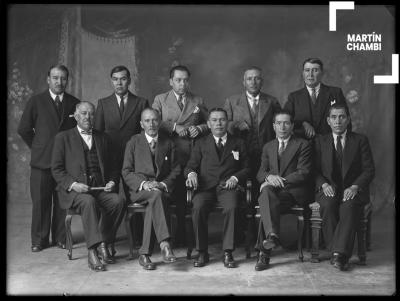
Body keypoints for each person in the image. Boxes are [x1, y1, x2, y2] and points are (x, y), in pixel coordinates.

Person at [51, 101, 126, 272]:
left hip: (99, 189)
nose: (88, 117)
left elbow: (114, 168)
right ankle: (92, 251)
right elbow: (56, 169)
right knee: (88, 202)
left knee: (118, 201)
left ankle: (104, 243)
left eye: (91, 114)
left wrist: (113, 182)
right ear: (76, 116)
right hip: (75, 191)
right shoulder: (63, 137)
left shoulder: (103, 137)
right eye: (84, 113)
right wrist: (74, 184)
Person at [18, 64, 80, 252]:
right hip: (41, 162)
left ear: (67, 80)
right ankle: (39, 240)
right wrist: (38, 147)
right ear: (48, 79)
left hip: (65, 164)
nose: (59, 82)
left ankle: (61, 238)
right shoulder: (36, 101)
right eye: (55, 78)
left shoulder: (74, 102)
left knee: (62, 202)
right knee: (41, 202)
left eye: (63, 78)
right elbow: (24, 129)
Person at [184, 108, 250, 268]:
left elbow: (247, 168)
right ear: (208, 123)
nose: (218, 123)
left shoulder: (238, 143)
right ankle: (201, 252)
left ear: (227, 122)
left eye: (222, 120)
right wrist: (191, 173)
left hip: (228, 187)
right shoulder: (201, 143)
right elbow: (190, 166)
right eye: (214, 120)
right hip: (205, 188)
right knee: (198, 207)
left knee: (232, 207)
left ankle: (228, 251)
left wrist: (235, 178)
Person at [152, 65, 208, 245]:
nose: (182, 84)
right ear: (171, 81)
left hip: (191, 154)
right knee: (171, 190)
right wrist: (176, 127)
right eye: (178, 80)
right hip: (168, 153)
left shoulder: (197, 99)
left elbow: (211, 122)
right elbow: (153, 122)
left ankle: (186, 233)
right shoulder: (160, 99)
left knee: (188, 193)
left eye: (185, 80)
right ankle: (167, 234)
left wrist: (199, 128)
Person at [315, 103, 375, 271]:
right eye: (334, 117)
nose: (338, 121)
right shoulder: (320, 141)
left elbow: (369, 170)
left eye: (342, 117)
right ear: (328, 120)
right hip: (329, 188)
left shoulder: (360, 140)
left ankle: (338, 254)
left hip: (354, 189)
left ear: (348, 120)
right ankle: (339, 252)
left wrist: (355, 186)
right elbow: (314, 170)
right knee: (327, 204)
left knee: (348, 206)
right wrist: (324, 184)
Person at [94, 65, 149, 243]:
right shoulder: (103, 103)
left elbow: (144, 134)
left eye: (123, 78)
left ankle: (138, 237)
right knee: (110, 198)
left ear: (129, 81)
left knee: (136, 194)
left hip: (133, 158)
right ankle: (105, 237)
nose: (119, 82)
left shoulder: (141, 102)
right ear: (111, 81)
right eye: (116, 79)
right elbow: (98, 133)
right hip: (109, 159)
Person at [122, 108, 181, 270]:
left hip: (161, 189)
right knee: (155, 196)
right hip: (140, 190)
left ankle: (144, 254)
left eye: (155, 120)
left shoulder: (168, 142)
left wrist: (162, 184)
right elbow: (126, 171)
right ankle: (165, 244)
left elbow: (176, 169)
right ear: (141, 124)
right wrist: (144, 184)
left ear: (160, 122)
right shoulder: (133, 142)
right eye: (147, 121)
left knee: (154, 200)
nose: (151, 124)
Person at [254, 110, 312, 271]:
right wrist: (268, 178)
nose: (283, 126)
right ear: (273, 126)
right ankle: (271, 237)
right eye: (279, 123)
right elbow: (261, 172)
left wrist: (277, 181)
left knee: (265, 198)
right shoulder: (268, 146)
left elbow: (303, 172)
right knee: (266, 195)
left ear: (292, 126)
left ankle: (264, 254)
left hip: (293, 192)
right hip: (273, 192)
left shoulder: (302, 144)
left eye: (286, 123)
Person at [284, 58, 351, 140]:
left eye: (315, 70)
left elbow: (346, 121)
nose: (310, 74)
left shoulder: (335, 93)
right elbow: (284, 121)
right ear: (303, 73)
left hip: (331, 146)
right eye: (307, 70)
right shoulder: (294, 97)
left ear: (322, 73)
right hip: (303, 148)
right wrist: (303, 123)